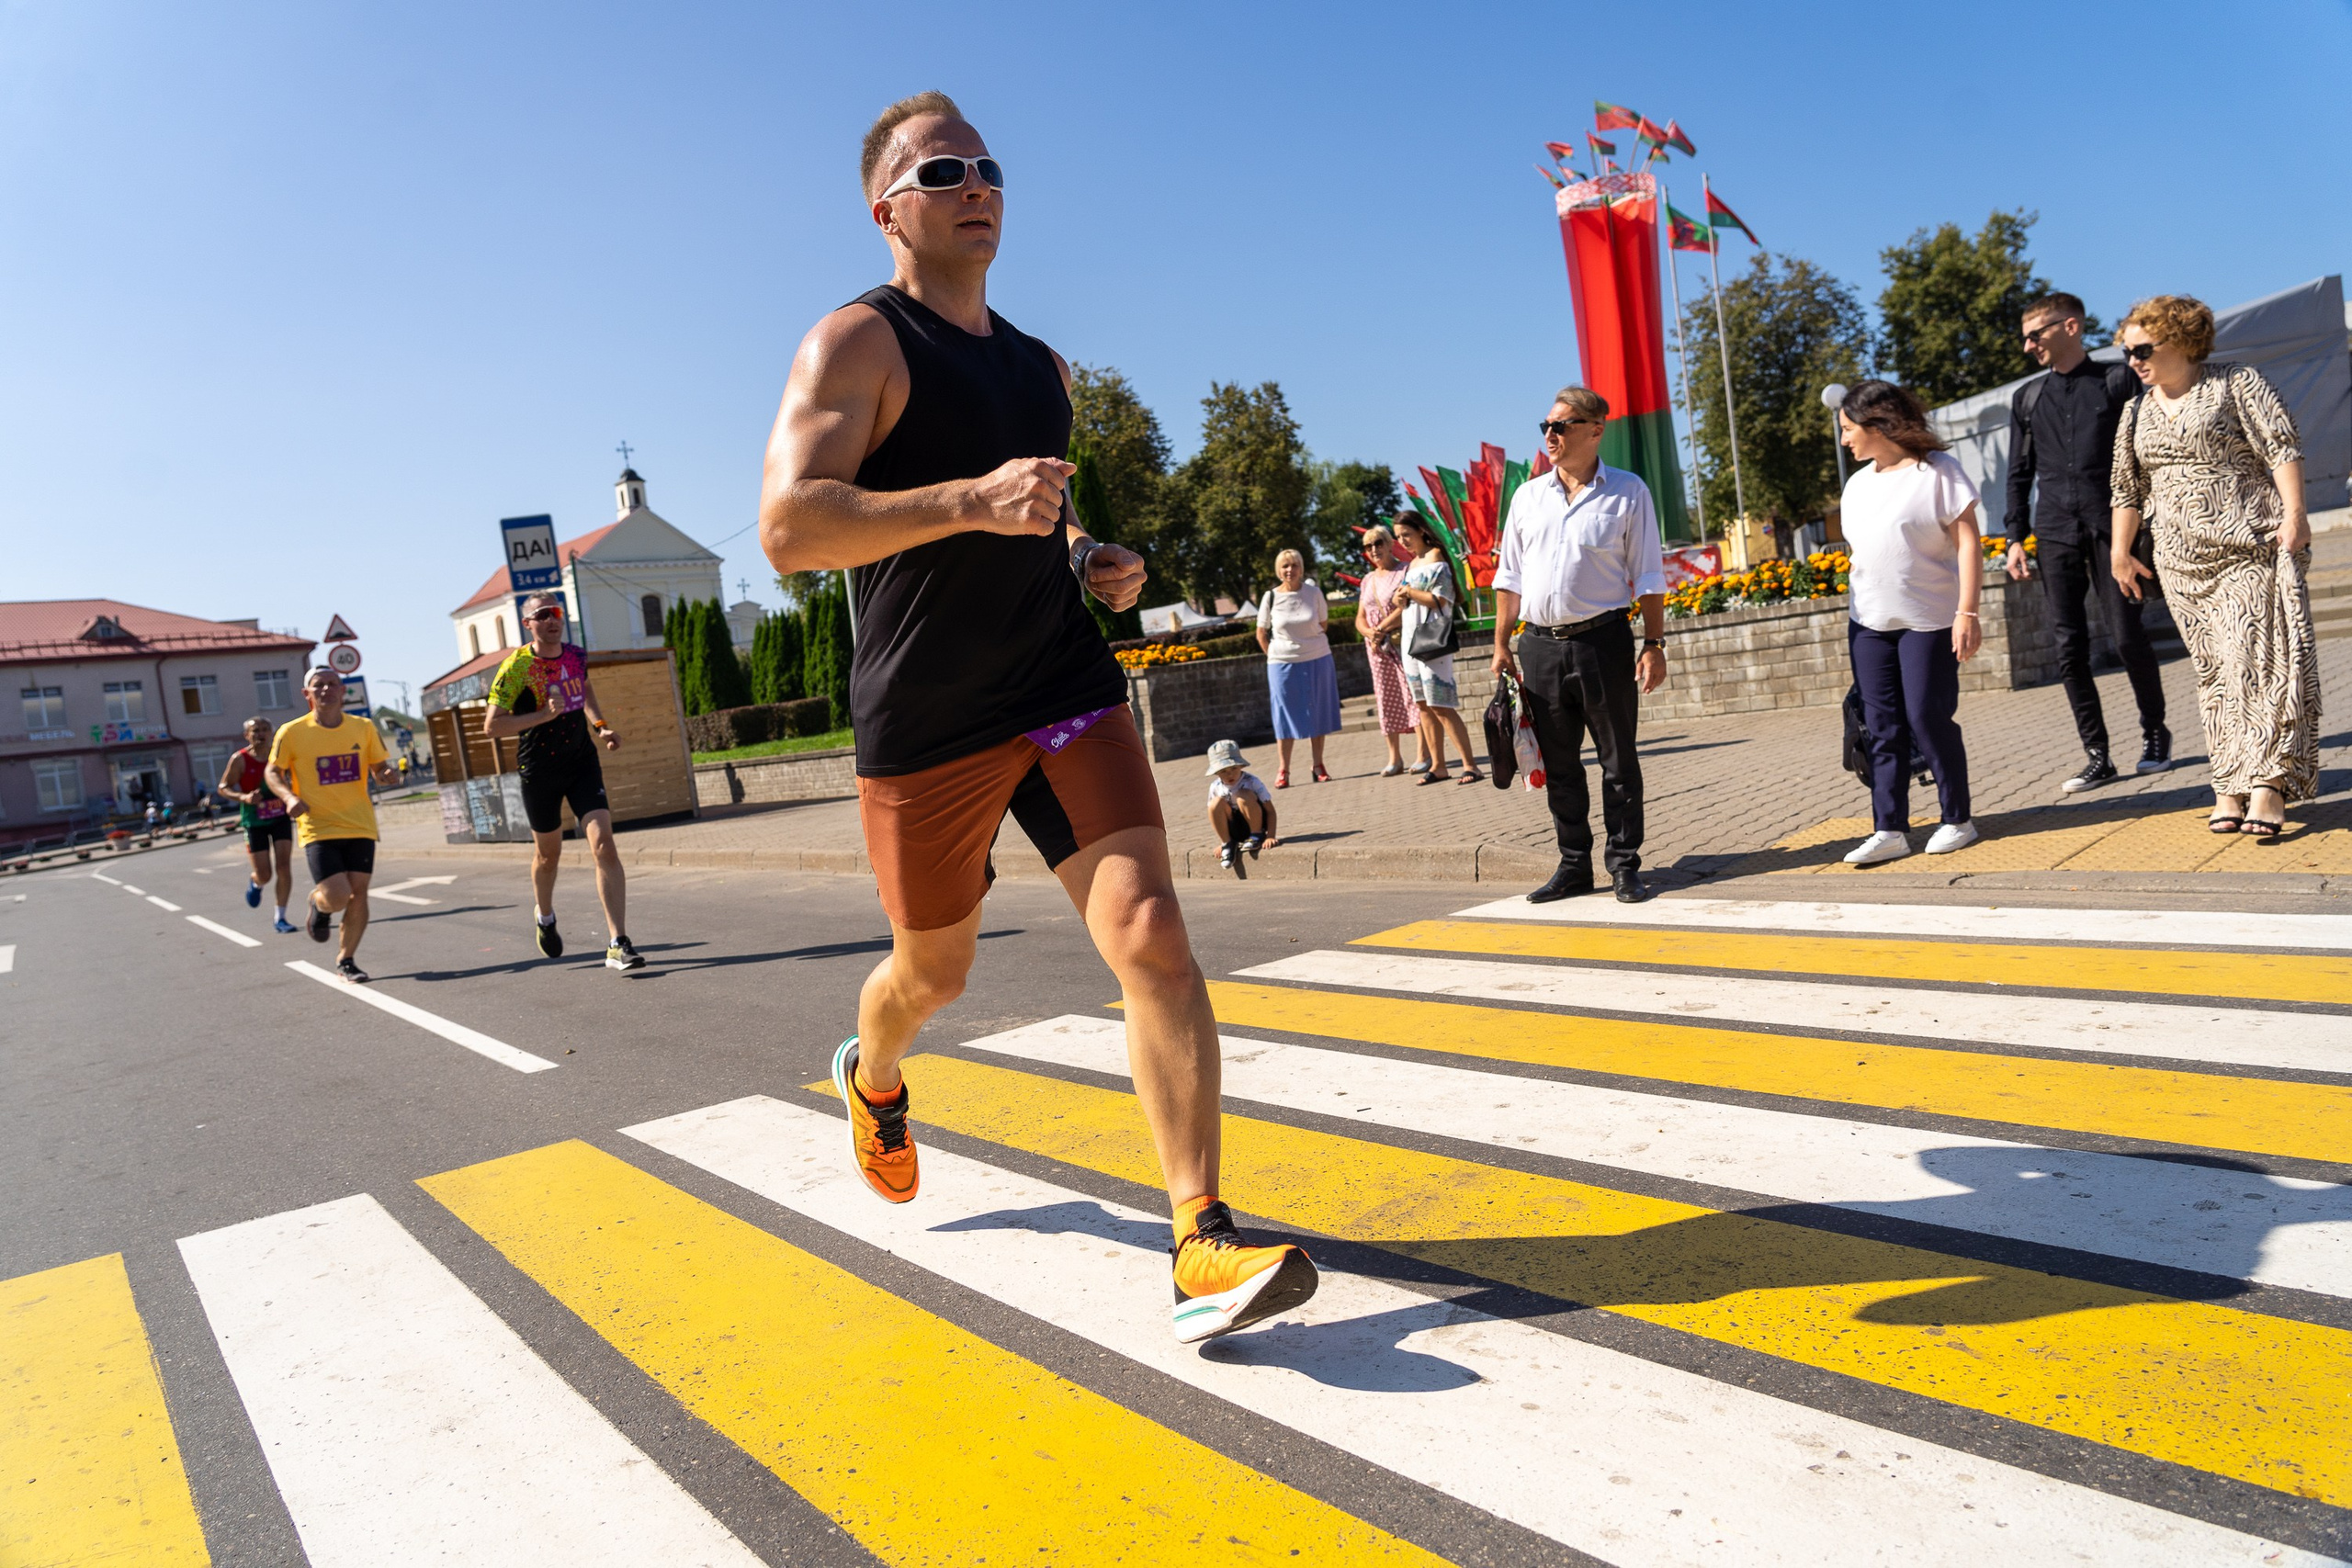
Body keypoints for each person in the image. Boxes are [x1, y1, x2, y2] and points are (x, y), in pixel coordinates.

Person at [756, 90, 1317, 1343]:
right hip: (929, 718)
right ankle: (876, 1071)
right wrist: (968, 498)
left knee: (1154, 934)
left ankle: (1199, 1240)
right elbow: (791, 528)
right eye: (942, 167)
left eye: (990, 165)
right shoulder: (858, 342)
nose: (976, 184)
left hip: (1060, 686)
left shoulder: (1041, 367)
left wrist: (1094, 558)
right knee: (932, 972)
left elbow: (1032, 524)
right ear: (885, 208)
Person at [2110, 295, 2317, 840]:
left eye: (2142, 347)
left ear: (2179, 339)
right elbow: (2126, 488)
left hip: (2249, 544)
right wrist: (2120, 551)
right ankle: (2229, 783)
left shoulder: (2235, 382)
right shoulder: (2136, 410)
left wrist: (2295, 514)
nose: (2133, 359)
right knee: (2214, 672)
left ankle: (2268, 785)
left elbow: (2281, 447)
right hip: (2181, 562)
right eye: (2126, 351)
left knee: (2254, 662)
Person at [1490, 386, 1666, 902]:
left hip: (1602, 643)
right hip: (1538, 647)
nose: (1550, 435)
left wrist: (1653, 643)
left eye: (1560, 426)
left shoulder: (1629, 492)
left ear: (1594, 430)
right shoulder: (1527, 497)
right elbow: (1510, 579)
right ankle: (1573, 866)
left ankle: (1624, 865)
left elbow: (1650, 576)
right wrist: (1502, 644)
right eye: (1545, 426)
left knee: (1618, 761)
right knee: (1559, 763)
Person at [2005, 291, 2169, 791]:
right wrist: (2015, 537)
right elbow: (2018, 474)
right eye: (2026, 337)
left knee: (2126, 637)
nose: (2030, 345)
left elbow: (2145, 454)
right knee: (2068, 647)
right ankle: (2097, 754)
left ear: (2070, 327)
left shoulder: (2118, 381)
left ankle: (2154, 735)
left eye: (2037, 334)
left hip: (2111, 527)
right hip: (2054, 530)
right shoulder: (2028, 399)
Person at [1835, 380, 1984, 866]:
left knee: (1926, 716)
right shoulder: (1857, 484)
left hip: (1930, 620)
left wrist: (1968, 612)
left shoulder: (1938, 472)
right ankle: (1889, 829)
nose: (1844, 440)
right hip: (1869, 622)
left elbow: (1968, 543)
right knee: (1880, 726)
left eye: (1849, 429)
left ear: (1878, 425)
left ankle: (1957, 818)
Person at [481, 593, 643, 972]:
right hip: (539, 769)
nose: (552, 620)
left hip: (580, 760)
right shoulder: (516, 668)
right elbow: (492, 726)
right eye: (542, 615)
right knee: (548, 856)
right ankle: (545, 915)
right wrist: (541, 715)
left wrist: (600, 725)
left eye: (556, 613)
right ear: (528, 624)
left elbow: (583, 689)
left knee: (603, 843)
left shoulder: (575, 655)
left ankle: (618, 942)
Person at [266, 668, 398, 982]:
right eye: (318, 685)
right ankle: (320, 904)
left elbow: (378, 765)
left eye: (332, 684)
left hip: (360, 823)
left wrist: (386, 774)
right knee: (339, 895)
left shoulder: (363, 727)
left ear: (343, 691)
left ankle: (346, 959)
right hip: (318, 826)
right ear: (307, 694)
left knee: (360, 894)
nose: (326, 689)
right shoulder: (292, 731)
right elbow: (273, 771)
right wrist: (287, 797)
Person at [1392, 516, 1482, 786]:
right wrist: (1400, 598)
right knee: (1423, 706)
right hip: (1411, 640)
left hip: (1433, 639)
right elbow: (1407, 602)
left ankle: (1471, 765)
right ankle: (1439, 765)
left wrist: (1408, 591)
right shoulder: (1412, 564)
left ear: (1421, 530)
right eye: (1398, 536)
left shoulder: (1436, 556)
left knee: (1441, 704)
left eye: (1406, 534)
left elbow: (1440, 599)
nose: (1402, 541)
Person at [1255, 548, 1340, 786]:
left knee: (1318, 712)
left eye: (1294, 565)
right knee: (1284, 716)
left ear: (1301, 568)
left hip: (1318, 658)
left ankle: (1318, 765)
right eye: (1285, 566)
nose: (1289, 570)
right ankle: (1284, 770)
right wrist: (1274, 653)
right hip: (1282, 663)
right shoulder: (1269, 597)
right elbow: (1261, 632)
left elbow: (1323, 623)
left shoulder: (1314, 593)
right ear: (1278, 570)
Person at [1354, 525, 1421, 775]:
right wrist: (1368, 632)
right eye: (1369, 546)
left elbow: (1405, 606)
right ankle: (1395, 758)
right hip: (1376, 647)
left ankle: (1422, 753)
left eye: (1379, 543)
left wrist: (1380, 628)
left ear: (1390, 544)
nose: (1374, 550)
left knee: (1412, 695)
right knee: (1385, 698)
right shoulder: (1368, 580)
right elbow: (1360, 616)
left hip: (1400, 640)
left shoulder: (1405, 570)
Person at [220, 716, 298, 932]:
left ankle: (280, 917)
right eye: (255, 731)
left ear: (271, 733)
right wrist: (244, 798)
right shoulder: (240, 759)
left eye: (265, 729)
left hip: (280, 816)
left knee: (284, 866)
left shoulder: (280, 756)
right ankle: (256, 882)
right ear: (247, 735)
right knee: (265, 874)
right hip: (254, 821)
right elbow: (223, 787)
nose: (261, 734)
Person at [1204, 739, 1276, 874]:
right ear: (1216, 772)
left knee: (1242, 795)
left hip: (1254, 823)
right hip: (1235, 828)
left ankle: (1256, 836)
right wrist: (1222, 841)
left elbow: (1270, 810)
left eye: (1233, 768)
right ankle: (1228, 843)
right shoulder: (1215, 787)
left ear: (1240, 766)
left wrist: (1270, 836)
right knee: (1215, 804)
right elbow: (1215, 814)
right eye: (1223, 771)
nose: (1229, 774)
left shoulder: (1252, 781)